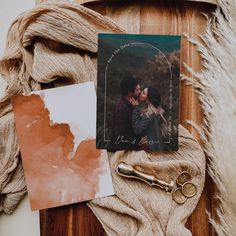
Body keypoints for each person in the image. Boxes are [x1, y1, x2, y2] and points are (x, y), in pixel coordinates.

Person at [108, 76, 141, 150]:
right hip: (121, 150)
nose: (140, 92)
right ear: (129, 92)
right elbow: (120, 136)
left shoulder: (131, 104)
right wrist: (138, 141)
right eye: (137, 90)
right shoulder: (122, 109)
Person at [131, 86, 167, 151]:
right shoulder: (155, 111)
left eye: (143, 93)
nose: (140, 93)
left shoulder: (150, 115)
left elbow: (137, 130)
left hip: (149, 149)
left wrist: (135, 109)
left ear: (148, 98)